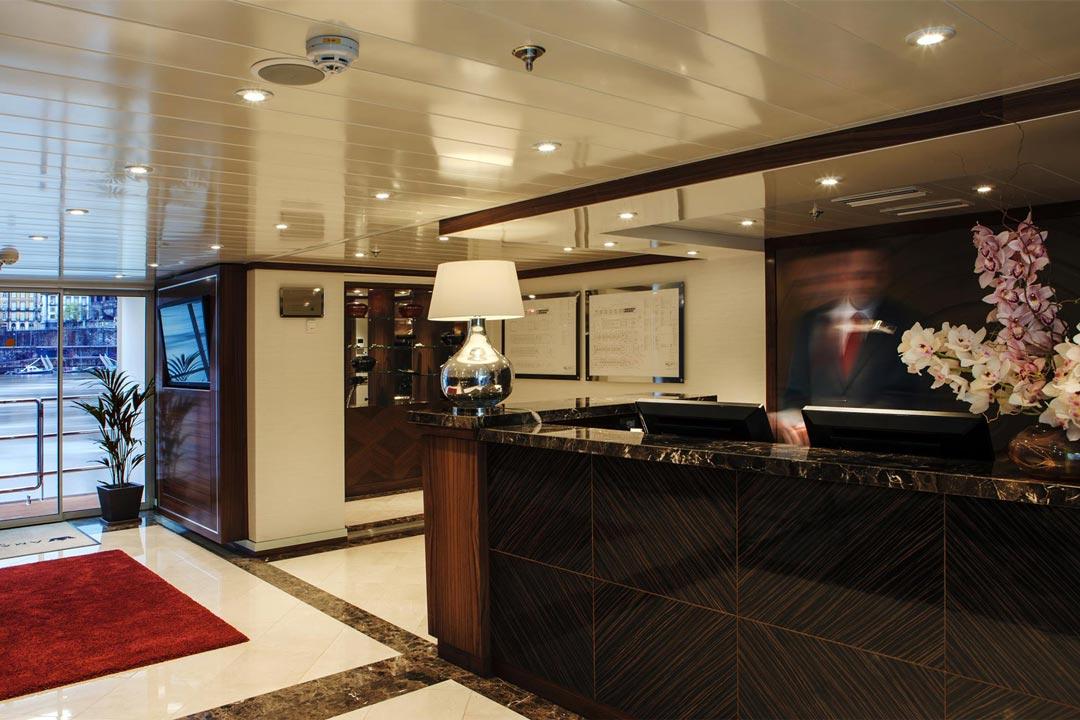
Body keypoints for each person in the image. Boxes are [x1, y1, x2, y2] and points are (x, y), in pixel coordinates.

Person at [773, 247, 922, 445]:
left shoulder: (905, 323)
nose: (867, 283)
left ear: (885, 277)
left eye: (874, 275)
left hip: (878, 442)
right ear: (843, 276)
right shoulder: (811, 322)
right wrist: (790, 418)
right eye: (859, 275)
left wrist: (849, 426)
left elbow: (903, 394)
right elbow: (797, 391)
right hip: (816, 441)